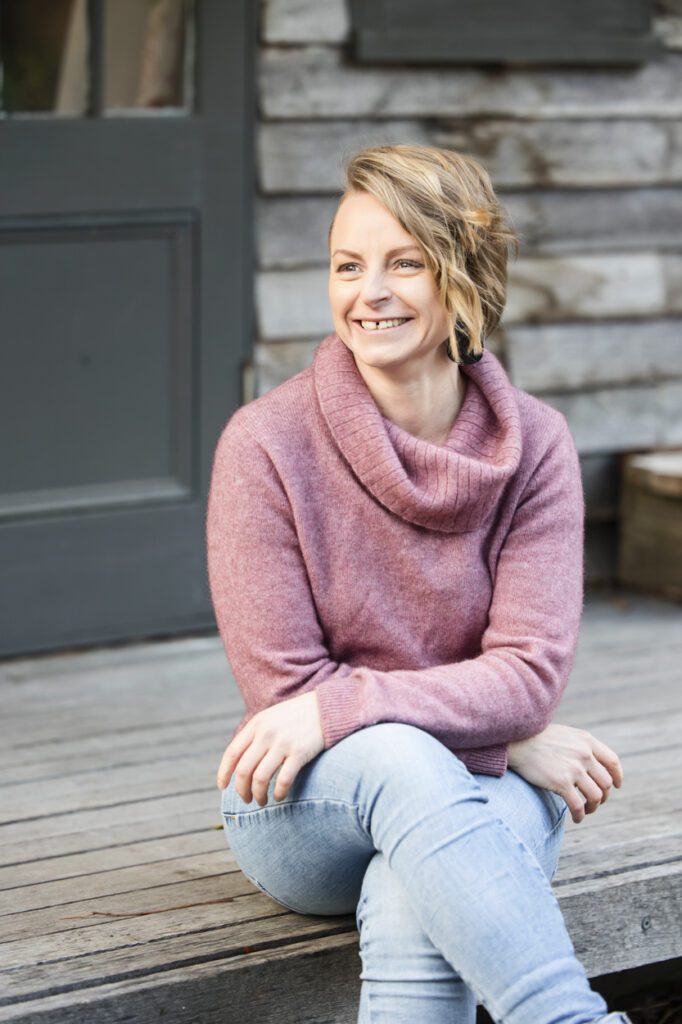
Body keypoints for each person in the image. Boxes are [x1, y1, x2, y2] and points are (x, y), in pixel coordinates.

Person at [206, 144, 632, 1024]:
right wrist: (510, 741)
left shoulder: (536, 449)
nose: (371, 292)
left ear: (464, 275)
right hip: (300, 804)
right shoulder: (264, 446)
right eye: (348, 266)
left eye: (406, 262)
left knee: (413, 897)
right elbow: (290, 702)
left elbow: (528, 678)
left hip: (475, 794)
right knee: (399, 759)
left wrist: (371, 709)